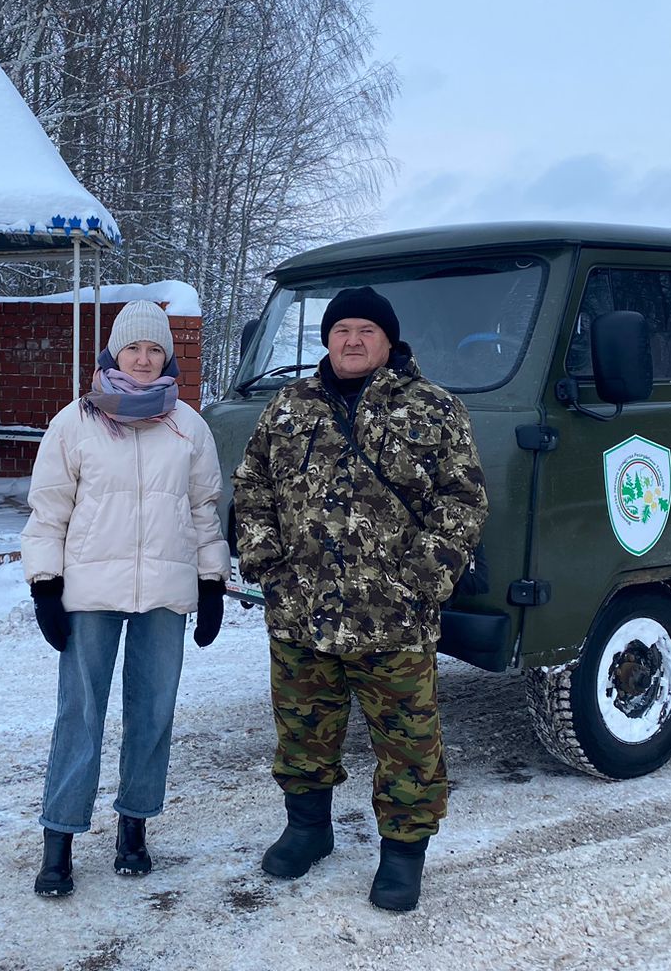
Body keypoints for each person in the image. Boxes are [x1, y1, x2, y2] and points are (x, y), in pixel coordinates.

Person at [232, 286, 488, 913]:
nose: (351, 340)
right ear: (326, 338)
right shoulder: (289, 408)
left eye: (365, 331)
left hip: (393, 620)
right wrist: (265, 561)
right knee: (302, 733)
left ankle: (403, 854)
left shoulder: (432, 408)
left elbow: (464, 502)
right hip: (301, 613)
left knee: (407, 743)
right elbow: (252, 486)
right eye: (341, 328)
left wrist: (423, 580)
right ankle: (307, 829)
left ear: (388, 341)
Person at [21, 298, 230, 898]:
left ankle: (133, 827)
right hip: (90, 593)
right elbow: (49, 511)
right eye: (133, 347)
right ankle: (59, 838)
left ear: (167, 356)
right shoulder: (76, 422)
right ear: (114, 352)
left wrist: (211, 582)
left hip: (165, 593)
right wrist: (45, 584)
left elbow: (203, 511)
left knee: (154, 711)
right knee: (79, 714)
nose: (143, 358)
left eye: (155, 349)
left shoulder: (188, 425)